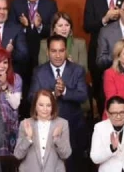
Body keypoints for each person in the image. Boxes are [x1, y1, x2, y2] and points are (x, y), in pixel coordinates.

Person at [29, 34, 90, 172]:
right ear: (47, 52)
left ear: (66, 51)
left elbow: (83, 95)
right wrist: (52, 95)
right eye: (54, 51)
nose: (58, 55)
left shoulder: (77, 70)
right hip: (46, 128)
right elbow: (31, 97)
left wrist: (65, 91)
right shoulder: (39, 72)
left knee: (73, 166)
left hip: (73, 128)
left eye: (61, 51)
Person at [12, 0, 59, 91]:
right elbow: (11, 30)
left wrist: (40, 26)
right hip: (22, 55)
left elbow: (55, 29)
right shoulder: (16, 4)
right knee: (24, 87)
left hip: (42, 52)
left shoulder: (50, 4)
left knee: (41, 86)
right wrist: (24, 27)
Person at [14, 90, 73, 172]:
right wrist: (28, 138)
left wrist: (57, 138)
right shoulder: (25, 124)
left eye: (48, 105)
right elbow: (18, 155)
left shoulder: (62, 123)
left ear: (53, 106)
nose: (45, 109)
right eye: (41, 105)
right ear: (35, 106)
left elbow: (66, 154)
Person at [0, 46, 24, 155]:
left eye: (5, 62)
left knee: (9, 164)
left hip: (11, 129)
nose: (2, 66)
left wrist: (5, 87)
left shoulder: (16, 78)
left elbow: (15, 105)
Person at [37, 12, 90, 76]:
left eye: (67, 25)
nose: (64, 29)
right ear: (54, 29)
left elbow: (84, 70)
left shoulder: (80, 44)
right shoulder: (44, 44)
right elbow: (41, 69)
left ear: (70, 28)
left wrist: (72, 65)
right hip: (50, 82)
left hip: (73, 81)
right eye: (60, 25)